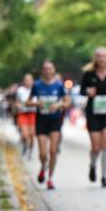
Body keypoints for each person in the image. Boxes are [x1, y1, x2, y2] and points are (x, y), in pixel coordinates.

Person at [27, 61, 69, 190]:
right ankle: (43, 166)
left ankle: (50, 178)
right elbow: (27, 102)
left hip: (55, 120)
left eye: (50, 68)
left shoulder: (59, 85)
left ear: (54, 70)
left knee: (53, 151)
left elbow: (68, 102)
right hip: (41, 120)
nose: (48, 71)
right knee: (43, 154)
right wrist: (36, 104)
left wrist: (59, 105)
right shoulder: (37, 85)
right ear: (42, 71)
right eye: (45, 69)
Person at [81, 47, 106, 187]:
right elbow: (81, 91)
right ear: (95, 58)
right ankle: (92, 165)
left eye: (104, 56)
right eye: (99, 56)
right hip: (93, 113)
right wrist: (87, 91)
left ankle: (104, 176)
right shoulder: (88, 74)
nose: (101, 59)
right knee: (96, 147)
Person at [14, 74, 36, 158]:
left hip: (33, 114)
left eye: (30, 80)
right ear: (24, 81)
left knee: (31, 135)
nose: (28, 82)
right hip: (23, 114)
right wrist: (18, 106)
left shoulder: (36, 89)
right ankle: (25, 145)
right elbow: (17, 102)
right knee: (25, 134)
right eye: (26, 80)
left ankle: (30, 150)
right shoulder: (20, 90)